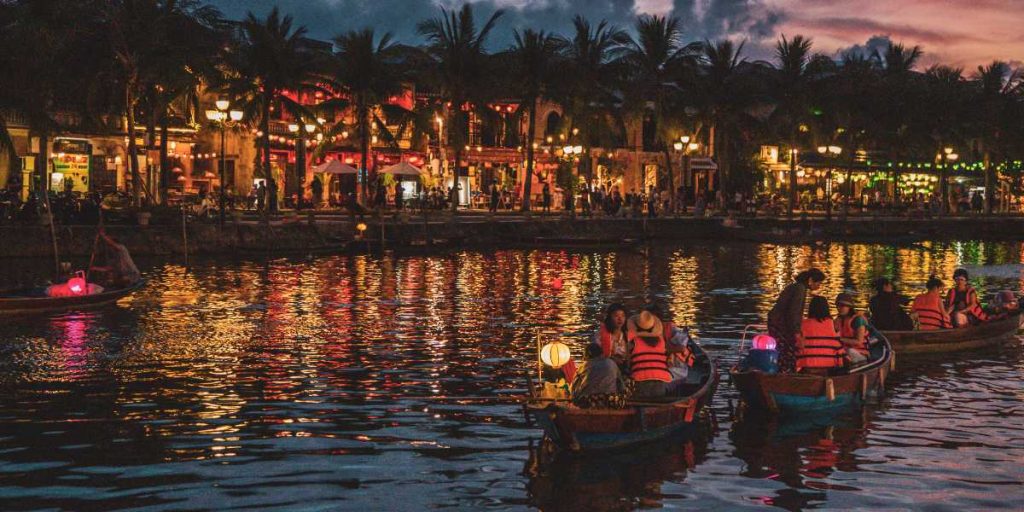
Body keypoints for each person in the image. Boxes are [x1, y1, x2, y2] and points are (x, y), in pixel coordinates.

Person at [768, 268, 825, 373]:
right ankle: (785, 375)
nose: (819, 286)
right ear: (811, 280)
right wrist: (797, 333)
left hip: (777, 323)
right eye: (818, 282)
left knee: (783, 351)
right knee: (788, 352)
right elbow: (794, 312)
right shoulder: (800, 289)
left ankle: (781, 372)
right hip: (780, 325)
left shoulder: (795, 287)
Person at [625, 310, 677, 398]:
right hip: (661, 383)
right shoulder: (661, 341)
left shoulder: (633, 342)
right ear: (653, 328)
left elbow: (628, 363)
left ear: (636, 327)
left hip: (640, 383)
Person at [798, 296, 847, 373]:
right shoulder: (832, 324)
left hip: (806, 365)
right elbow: (838, 346)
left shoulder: (802, 324)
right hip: (829, 365)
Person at [570, 343, 627, 409]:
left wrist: (574, 399)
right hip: (611, 402)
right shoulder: (612, 363)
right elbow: (621, 385)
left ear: (587, 355)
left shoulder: (584, 366)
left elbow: (573, 388)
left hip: (589, 402)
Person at [834, 293, 869, 365]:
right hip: (843, 351)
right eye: (837, 306)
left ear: (849, 307)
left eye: (842, 306)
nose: (838, 308)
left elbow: (859, 341)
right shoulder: (837, 320)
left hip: (859, 353)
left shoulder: (858, 320)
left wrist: (840, 339)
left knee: (849, 351)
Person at [594, 303, 632, 368]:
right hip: (606, 369)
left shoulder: (627, 336)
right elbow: (596, 358)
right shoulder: (600, 335)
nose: (620, 319)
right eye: (616, 316)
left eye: (623, 316)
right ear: (609, 318)